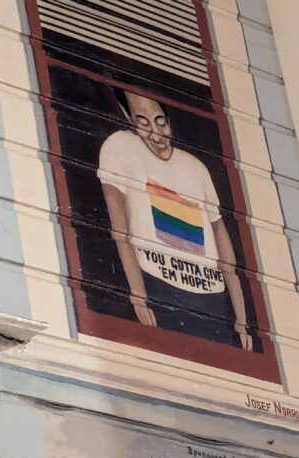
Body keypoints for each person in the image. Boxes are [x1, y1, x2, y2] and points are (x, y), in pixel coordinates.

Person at [97, 88, 252, 351]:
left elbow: (224, 247)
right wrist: (138, 295)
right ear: (127, 117)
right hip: (159, 288)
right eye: (142, 122)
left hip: (211, 299)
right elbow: (120, 231)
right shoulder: (120, 147)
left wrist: (241, 321)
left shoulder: (195, 167)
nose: (156, 134)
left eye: (160, 121)